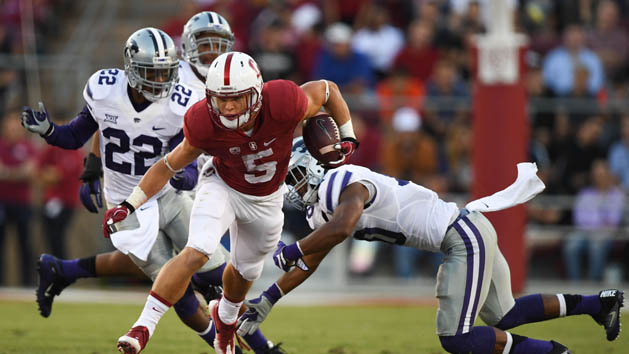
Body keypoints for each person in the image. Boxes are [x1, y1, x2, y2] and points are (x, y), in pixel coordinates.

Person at [237, 139, 625, 354]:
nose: (293, 186)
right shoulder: (321, 211)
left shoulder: (342, 180)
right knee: (504, 316)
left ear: (317, 165)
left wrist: (291, 249)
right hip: (468, 232)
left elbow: (344, 226)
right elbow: (310, 261)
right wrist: (269, 298)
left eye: (296, 174)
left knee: (457, 339)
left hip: (462, 237)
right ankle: (598, 303)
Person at [103, 51, 358, 354]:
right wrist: (130, 204)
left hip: (267, 198)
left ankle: (224, 324)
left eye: (236, 97)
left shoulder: (284, 101)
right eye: (220, 98)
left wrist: (348, 135)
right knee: (197, 250)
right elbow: (169, 164)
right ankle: (142, 326)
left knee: (245, 272)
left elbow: (328, 89)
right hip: (221, 185)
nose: (227, 106)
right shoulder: (203, 120)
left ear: (256, 92)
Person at [20, 27, 250, 354]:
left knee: (214, 271)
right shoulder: (105, 90)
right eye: (152, 72)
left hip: (167, 196)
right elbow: (75, 135)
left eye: (166, 72)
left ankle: (256, 342)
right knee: (175, 291)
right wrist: (49, 131)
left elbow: (181, 155)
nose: (160, 80)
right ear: (131, 68)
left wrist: (183, 176)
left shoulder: (178, 102)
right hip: (124, 207)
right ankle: (229, 349)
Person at [562, 159, 625, 282]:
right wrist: (597, 223)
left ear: (608, 175)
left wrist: (595, 224)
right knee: (571, 244)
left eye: (601, 175)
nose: (599, 178)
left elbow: (614, 220)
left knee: (596, 246)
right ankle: (574, 284)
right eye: (596, 175)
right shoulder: (585, 193)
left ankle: (593, 284)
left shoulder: (617, 195)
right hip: (585, 232)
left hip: (606, 234)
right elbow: (578, 218)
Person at [0, 114, 37, 285]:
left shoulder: (28, 147)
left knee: (25, 244)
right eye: (9, 128)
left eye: (15, 128)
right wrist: (18, 172)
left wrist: (7, 173)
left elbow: (31, 170)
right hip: (2, 202)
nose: (12, 131)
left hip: (23, 203)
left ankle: (27, 284)